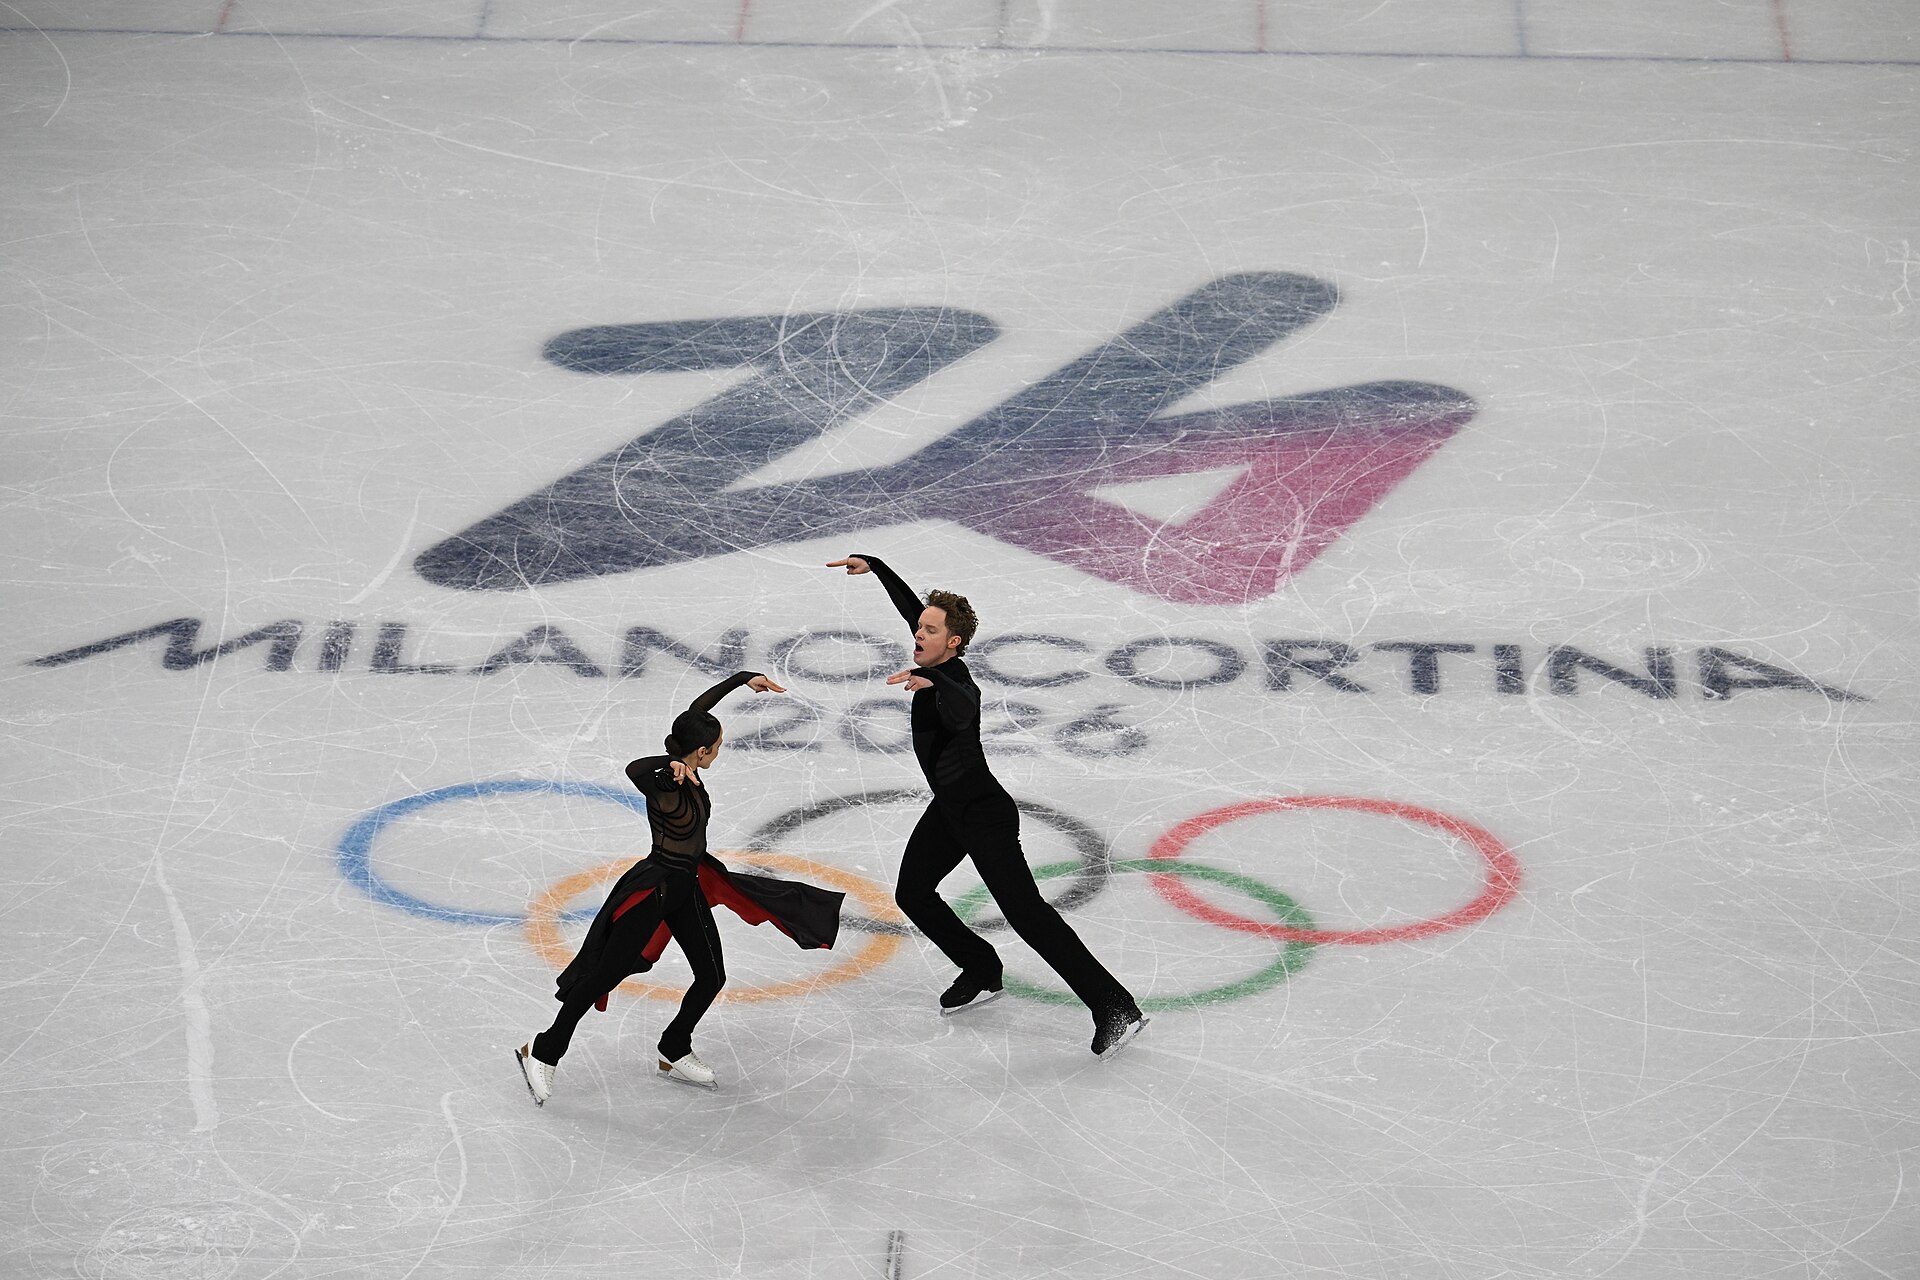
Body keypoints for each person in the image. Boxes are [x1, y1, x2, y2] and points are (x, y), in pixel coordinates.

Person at [825, 554, 1147, 1058]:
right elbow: (912, 608)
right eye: (919, 627)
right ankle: (979, 966)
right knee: (913, 892)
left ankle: (1114, 1005)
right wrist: (880, 566)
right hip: (949, 811)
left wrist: (936, 682)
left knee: (1028, 913)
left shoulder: (957, 684)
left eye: (929, 630)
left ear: (952, 643)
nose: (917, 633)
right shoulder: (932, 655)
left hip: (984, 813)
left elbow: (965, 707)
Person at [516, 671, 845, 1102]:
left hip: (686, 886)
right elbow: (634, 769)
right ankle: (541, 1051)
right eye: (718, 748)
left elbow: (697, 711)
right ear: (702, 750)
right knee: (603, 976)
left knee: (712, 975)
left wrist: (744, 679)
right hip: (653, 889)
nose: (720, 752)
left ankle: (673, 1047)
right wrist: (664, 765)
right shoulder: (667, 780)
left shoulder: (690, 757)